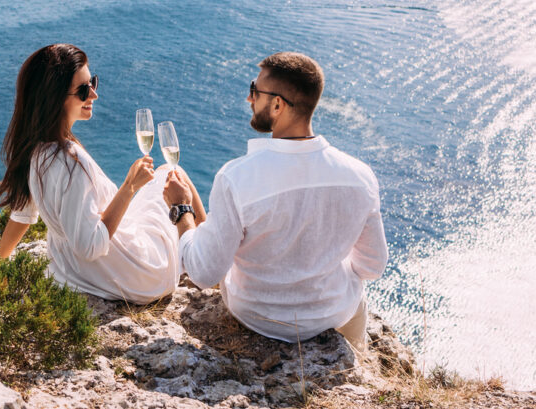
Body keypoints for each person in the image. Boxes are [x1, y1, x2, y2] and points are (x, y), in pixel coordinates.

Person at [162, 52, 387, 352]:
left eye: (254, 90)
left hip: (258, 318)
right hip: (334, 316)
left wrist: (182, 210)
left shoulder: (237, 177)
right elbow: (372, 267)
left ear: (278, 105)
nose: (249, 99)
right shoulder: (360, 176)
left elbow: (203, 273)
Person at [0, 44, 207, 304]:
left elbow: (23, 214)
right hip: (134, 274)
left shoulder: (35, 148)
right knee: (173, 173)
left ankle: (205, 256)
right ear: (54, 98)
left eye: (93, 82)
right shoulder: (71, 162)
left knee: (164, 176)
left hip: (78, 273)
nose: (93, 95)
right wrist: (129, 187)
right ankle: (207, 263)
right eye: (83, 90)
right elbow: (90, 246)